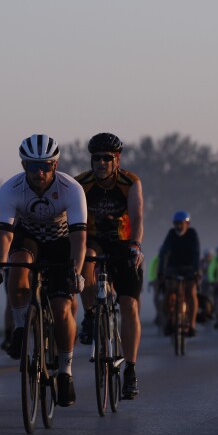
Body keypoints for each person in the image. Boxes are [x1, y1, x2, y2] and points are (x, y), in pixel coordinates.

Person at [0, 134, 86, 407]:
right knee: (17, 265)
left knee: (61, 308)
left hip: (60, 242)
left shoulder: (71, 189)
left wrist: (77, 272)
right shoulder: (11, 189)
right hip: (28, 237)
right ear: (24, 166)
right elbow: (6, 235)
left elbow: (79, 238)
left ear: (55, 165)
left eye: (46, 165)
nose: (40, 172)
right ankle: (21, 328)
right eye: (33, 167)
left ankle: (66, 371)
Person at [75, 133, 144, 400]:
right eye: (96, 158)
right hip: (93, 239)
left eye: (107, 158)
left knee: (129, 305)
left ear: (117, 160)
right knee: (85, 260)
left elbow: (137, 216)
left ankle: (131, 370)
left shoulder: (130, 182)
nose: (101, 163)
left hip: (123, 242)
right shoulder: (82, 183)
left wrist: (136, 245)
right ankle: (92, 314)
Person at [156, 211, 201, 338]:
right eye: (176, 223)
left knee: (191, 291)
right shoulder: (171, 234)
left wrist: (196, 270)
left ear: (187, 224)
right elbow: (164, 253)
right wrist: (161, 272)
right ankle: (170, 319)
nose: (178, 226)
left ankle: (192, 325)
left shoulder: (192, 234)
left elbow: (196, 252)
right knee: (169, 290)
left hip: (190, 267)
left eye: (181, 223)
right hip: (173, 267)